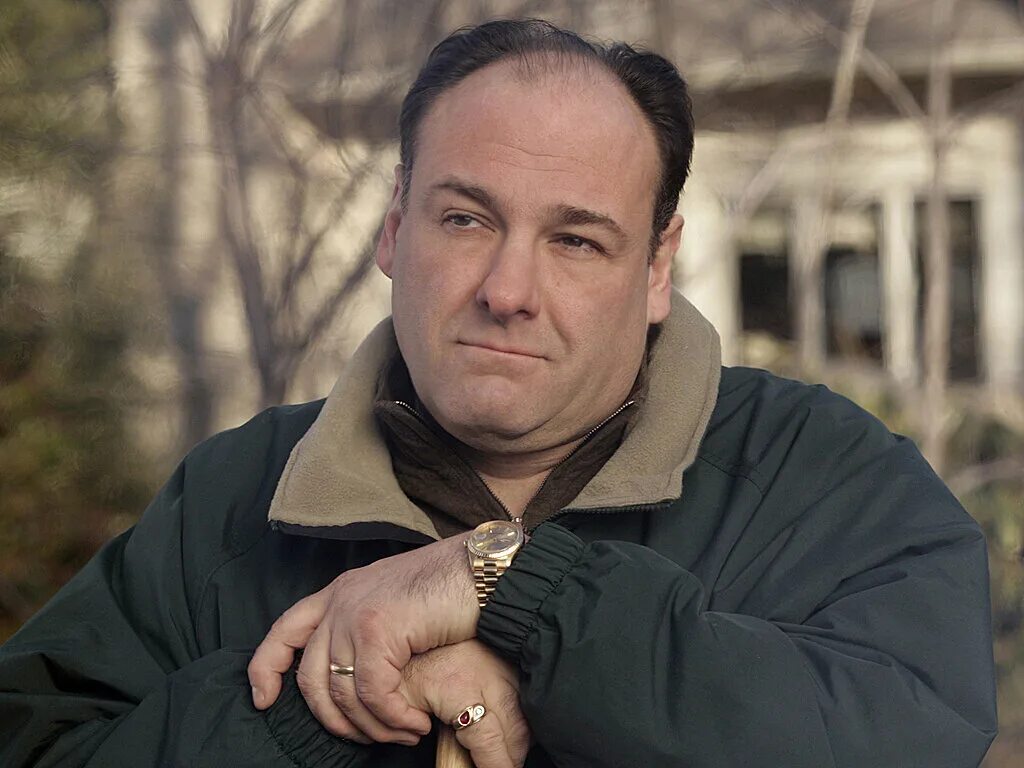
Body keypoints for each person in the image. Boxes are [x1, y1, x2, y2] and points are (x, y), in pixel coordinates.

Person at [0, 18, 998, 768]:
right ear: (394, 228)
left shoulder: (820, 475)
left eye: (576, 240)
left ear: (657, 267)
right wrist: (336, 704)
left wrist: (512, 587)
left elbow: (914, 733)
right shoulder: (235, 495)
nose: (508, 291)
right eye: (466, 220)